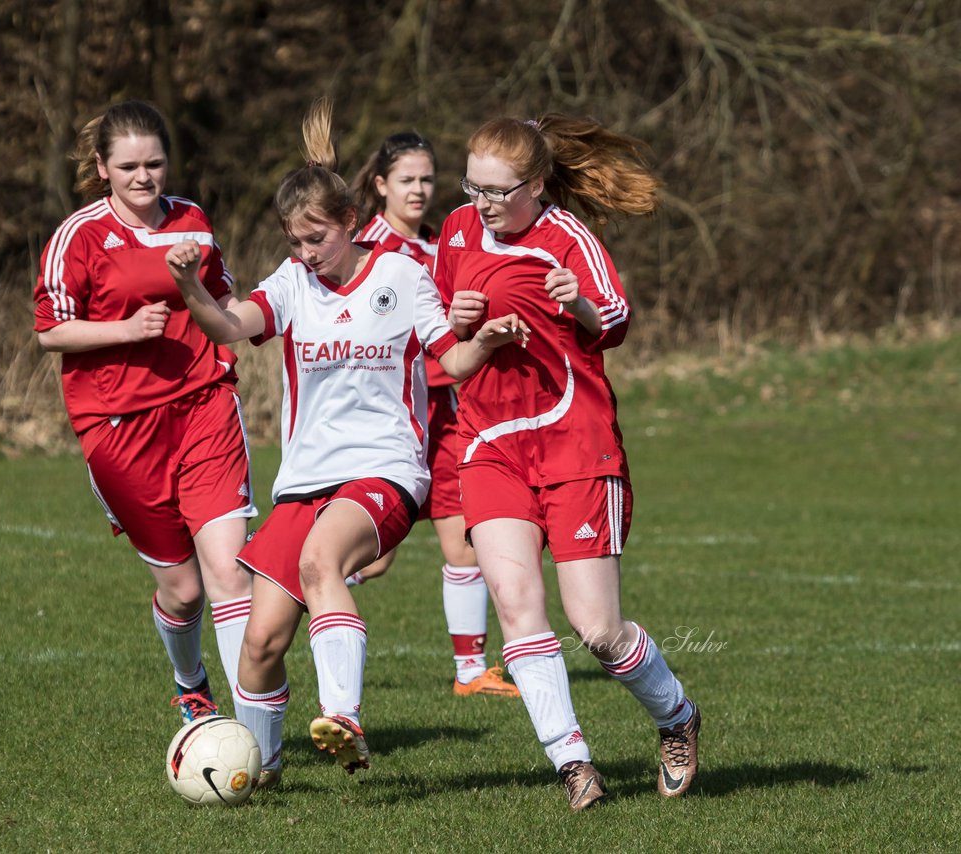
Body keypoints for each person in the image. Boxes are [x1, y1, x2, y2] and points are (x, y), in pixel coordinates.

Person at [164, 97, 527, 788]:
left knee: (323, 558)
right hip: (306, 478)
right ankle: (261, 772)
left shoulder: (399, 275)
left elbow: (449, 361)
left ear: (351, 225)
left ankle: (344, 716)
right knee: (260, 644)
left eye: (316, 240)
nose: (305, 253)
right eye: (295, 241)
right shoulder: (293, 283)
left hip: (384, 472)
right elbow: (227, 325)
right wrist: (188, 284)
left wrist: (486, 339)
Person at [433, 114, 701, 811]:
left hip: (576, 446)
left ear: (538, 184)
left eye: (499, 190)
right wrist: (465, 323)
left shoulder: (569, 238)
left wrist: (574, 301)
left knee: (599, 630)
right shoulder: (457, 231)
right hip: (491, 447)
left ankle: (676, 717)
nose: (483, 202)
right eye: (474, 186)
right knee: (519, 609)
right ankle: (573, 763)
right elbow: (443, 347)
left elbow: (615, 320)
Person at [32, 100, 256, 725]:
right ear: (101, 167)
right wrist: (125, 329)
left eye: (154, 163)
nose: (143, 177)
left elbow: (223, 296)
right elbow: (50, 332)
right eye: (128, 166)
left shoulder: (193, 220)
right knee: (183, 591)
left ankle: (253, 734)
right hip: (120, 426)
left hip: (204, 404)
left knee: (228, 572)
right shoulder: (78, 237)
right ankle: (191, 683)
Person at [347, 132, 519, 698]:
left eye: (426, 179)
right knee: (369, 559)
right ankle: (274, 594)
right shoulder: (362, 248)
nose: (419, 190)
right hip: (389, 416)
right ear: (380, 185)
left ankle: (471, 671)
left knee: (461, 539)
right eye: (406, 180)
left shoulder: (441, 242)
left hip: (446, 412)